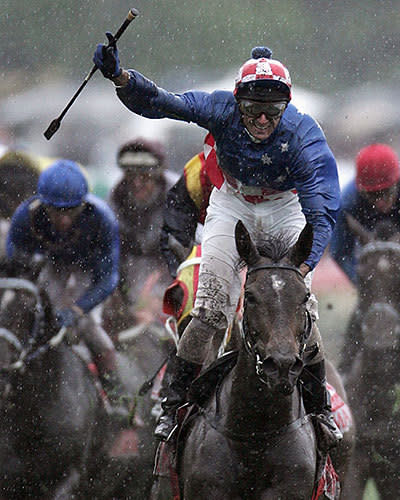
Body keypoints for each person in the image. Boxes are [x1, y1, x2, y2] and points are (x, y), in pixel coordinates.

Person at [93, 41, 342, 445]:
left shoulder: (302, 134)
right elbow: (160, 102)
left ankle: (319, 410)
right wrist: (121, 79)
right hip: (233, 202)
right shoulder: (218, 108)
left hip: (285, 206)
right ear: (236, 101)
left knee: (303, 307)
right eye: (252, 109)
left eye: (272, 111)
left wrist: (305, 264)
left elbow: (322, 208)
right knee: (209, 310)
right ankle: (172, 405)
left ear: (287, 107)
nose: (262, 119)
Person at [6, 159, 126, 413]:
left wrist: (78, 310)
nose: (63, 219)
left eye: (71, 211)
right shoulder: (24, 217)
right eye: (55, 211)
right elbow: (15, 271)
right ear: (42, 204)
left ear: (84, 204)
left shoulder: (103, 218)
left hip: (88, 275)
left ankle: (118, 401)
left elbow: (108, 278)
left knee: (92, 332)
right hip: (48, 268)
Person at [330, 143, 400, 374]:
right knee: (361, 318)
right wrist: (366, 283)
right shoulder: (347, 203)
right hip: (372, 270)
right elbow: (340, 253)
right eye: (372, 195)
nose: (380, 203)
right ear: (361, 191)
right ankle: (346, 376)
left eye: (386, 194)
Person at [102, 138, 172, 333]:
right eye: (130, 176)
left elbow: (187, 250)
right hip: (130, 270)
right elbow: (111, 253)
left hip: (170, 270)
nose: (137, 183)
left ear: (158, 176)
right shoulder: (115, 199)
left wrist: (158, 297)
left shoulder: (177, 195)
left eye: (145, 176)